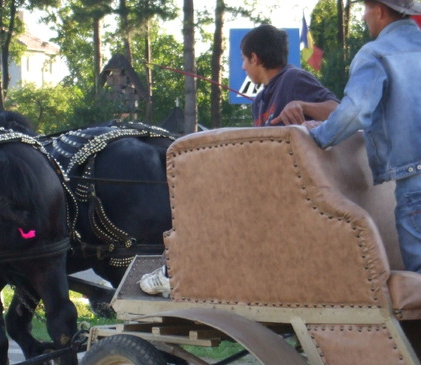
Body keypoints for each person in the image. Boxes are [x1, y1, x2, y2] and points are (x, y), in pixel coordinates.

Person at [139, 24, 339, 296]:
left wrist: (303, 106)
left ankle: (173, 274)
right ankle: (180, 270)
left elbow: (339, 111)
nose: (243, 68)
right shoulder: (259, 101)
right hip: (265, 186)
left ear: (255, 58)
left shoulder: (294, 79)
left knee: (207, 205)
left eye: (244, 60)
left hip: (290, 191)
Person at [309, 0, 421, 299]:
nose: (363, 16)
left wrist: (317, 138)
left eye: (365, 9)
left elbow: (356, 111)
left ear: (381, 11)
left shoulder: (376, 53)